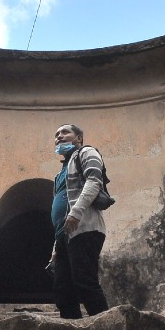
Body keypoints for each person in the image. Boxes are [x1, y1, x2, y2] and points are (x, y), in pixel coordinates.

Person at [50, 123, 109, 319]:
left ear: (79, 138)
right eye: (57, 134)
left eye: (65, 132)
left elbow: (94, 181)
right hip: (64, 237)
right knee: (63, 291)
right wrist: (56, 247)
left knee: (85, 282)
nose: (59, 136)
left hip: (85, 229)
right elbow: (60, 209)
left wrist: (76, 212)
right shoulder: (59, 173)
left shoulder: (87, 152)